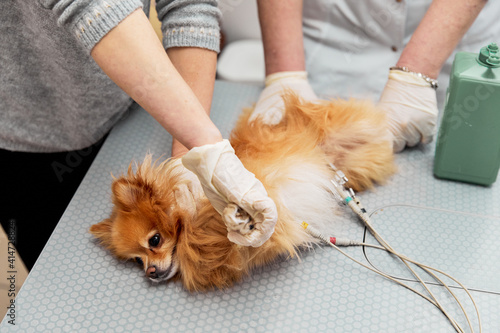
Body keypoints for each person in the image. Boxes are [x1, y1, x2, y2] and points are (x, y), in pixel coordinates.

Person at [0, 0, 277, 269]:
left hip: (125, 112)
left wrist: (186, 155)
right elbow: (92, 6)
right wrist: (205, 145)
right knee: (51, 269)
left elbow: (189, 6)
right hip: (20, 135)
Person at [252, 0, 498, 152]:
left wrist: (417, 75)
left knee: (457, 151)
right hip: (339, 34)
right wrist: (284, 75)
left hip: (455, 35)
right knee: (313, 143)